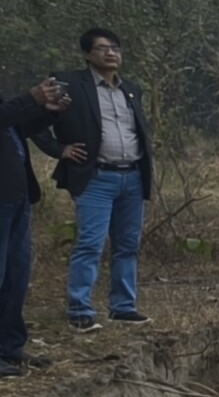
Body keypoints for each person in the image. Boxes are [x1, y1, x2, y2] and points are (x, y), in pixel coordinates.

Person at [47, 28, 153, 332]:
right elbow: (37, 121)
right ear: (87, 54)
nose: (111, 53)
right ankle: (79, 309)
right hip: (96, 178)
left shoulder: (130, 89)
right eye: (103, 48)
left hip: (131, 176)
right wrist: (59, 149)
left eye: (116, 48)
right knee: (91, 244)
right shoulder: (69, 84)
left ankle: (123, 307)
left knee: (127, 245)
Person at [0, 73, 71, 376]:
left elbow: (14, 126)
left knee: (15, 276)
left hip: (15, 195)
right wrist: (31, 99)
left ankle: (10, 347)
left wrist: (45, 112)